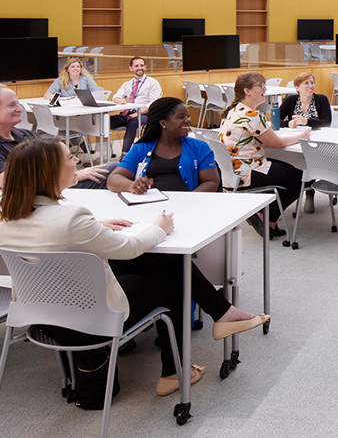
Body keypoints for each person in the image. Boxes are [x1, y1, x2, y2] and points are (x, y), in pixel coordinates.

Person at [0, 138, 269, 402]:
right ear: (49, 172)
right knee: (173, 275)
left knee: (160, 263)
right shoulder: (71, 220)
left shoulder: (8, 214)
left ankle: (220, 316)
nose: (77, 161)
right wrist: (159, 228)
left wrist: (95, 226)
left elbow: (54, 232)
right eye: (69, 159)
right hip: (91, 319)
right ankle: (177, 370)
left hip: (41, 314)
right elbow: (128, 248)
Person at [219, 73, 311, 239]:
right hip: (249, 172)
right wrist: (301, 137)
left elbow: (264, 141)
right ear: (247, 91)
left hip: (232, 173)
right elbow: (277, 144)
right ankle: (267, 217)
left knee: (287, 169)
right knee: (302, 177)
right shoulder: (253, 116)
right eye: (261, 86)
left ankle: (266, 215)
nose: (265, 89)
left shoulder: (232, 112)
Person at [0, 85, 116, 190]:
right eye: (11, 105)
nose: (20, 109)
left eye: (18, 104)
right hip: (40, 193)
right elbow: (9, 181)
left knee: (112, 168)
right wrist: (75, 177)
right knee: (108, 172)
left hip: (53, 184)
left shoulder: (27, 135)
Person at [108, 96, 220, 195]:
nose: (188, 121)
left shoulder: (199, 147)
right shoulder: (141, 148)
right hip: (150, 207)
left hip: (190, 206)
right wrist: (131, 185)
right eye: (181, 117)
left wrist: (190, 201)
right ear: (163, 123)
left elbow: (211, 182)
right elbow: (113, 179)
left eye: (188, 116)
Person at [280, 72, 331, 214]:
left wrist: (307, 122)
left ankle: (309, 193)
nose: (311, 86)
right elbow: (275, 120)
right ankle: (302, 189)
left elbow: (326, 123)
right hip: (295, 140)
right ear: (297, 87)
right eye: (306, 83)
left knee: (310, 159)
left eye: (312, 83)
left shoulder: (321, 100)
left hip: (317, 141)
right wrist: (288, 124)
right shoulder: (290, 100)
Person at [110, 56, 162, 158]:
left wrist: (137, 113)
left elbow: (153, 103)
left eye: (142, 65)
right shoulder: (127, 84)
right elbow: (115, 96)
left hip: (145, 114)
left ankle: (124, 155)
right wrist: (119, 100)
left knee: (133, 121)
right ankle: (104, 155)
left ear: (145, 67)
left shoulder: (152, 83)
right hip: (127, 114)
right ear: (131, 68)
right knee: (105, 120)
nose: (140, 68)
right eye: (136, 66)